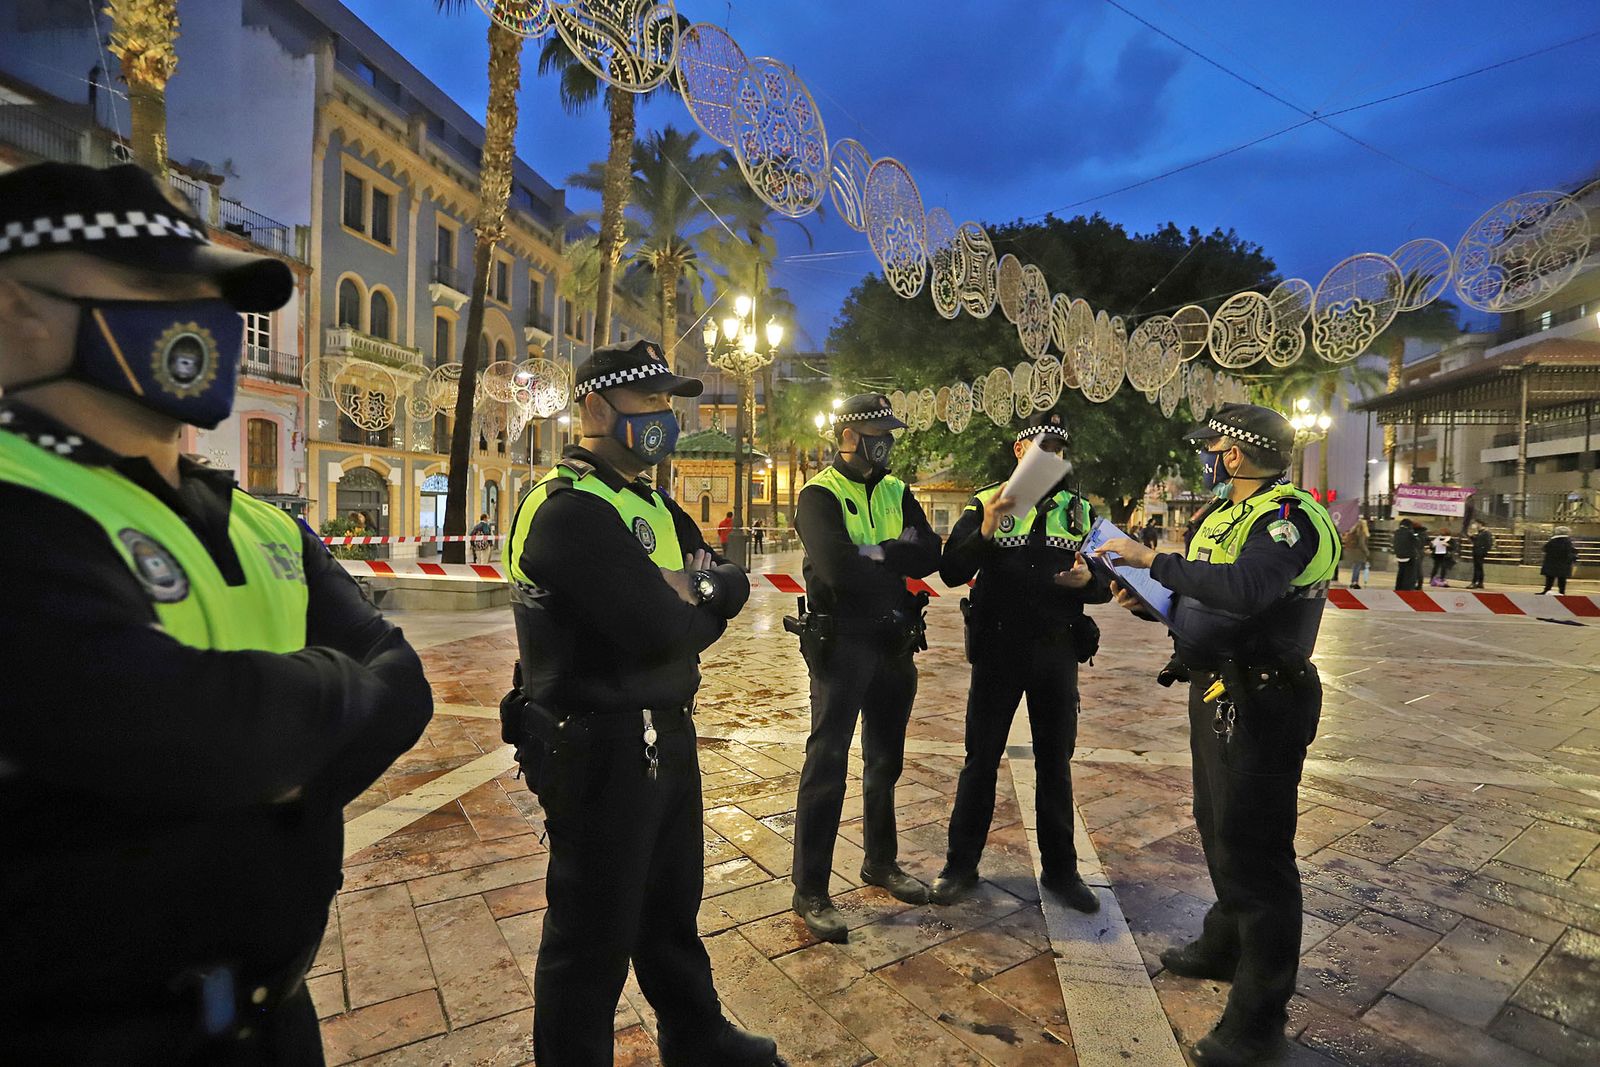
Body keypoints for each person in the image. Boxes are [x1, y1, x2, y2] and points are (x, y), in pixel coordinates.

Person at [0, 162, 434, 1063]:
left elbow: (408, 687)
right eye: (157, 287)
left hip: (277, 1015)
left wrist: (263, 749)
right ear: (15, 307)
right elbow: (178, 726)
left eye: (212, 295)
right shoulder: (19, 505)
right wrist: (294, 734)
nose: (201, 318)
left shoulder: (265, 524)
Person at [501, 339, 780, 1067]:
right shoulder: (565, 509)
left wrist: (696, 593)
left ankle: (698, 1037)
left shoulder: (652, 503)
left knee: (669, 911)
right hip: (596, 746)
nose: (663, 416)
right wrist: (691, 600)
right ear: (596, 408)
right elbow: (658, 628)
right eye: (648, 400)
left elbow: (729, 578)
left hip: (667, 733)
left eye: (667, 402)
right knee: (590, 935)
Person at [1094, 403, 1340, 1066]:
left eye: (1215, 447)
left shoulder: (1288, 518)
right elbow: (1211, 603)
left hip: (1266, 696)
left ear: (1233, 453)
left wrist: (1153, 557)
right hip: (1220, 687)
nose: (1209, 455)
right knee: (1218, 822)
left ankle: (1259, 1020)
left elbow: (1250, 587)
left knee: (1257, 850)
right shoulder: (1227, 514)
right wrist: (1155, 601)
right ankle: (1224, 942)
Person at [932, 410, 1108, 913]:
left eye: (1057, 450)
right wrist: (986, 529)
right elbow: (951, 570)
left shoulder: (1079, 511)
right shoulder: (987, 500)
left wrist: (1088, 584)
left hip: (1056, 650)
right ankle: (960, 866)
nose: (1051, 458)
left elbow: (1107, 579)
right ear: (1019, 450)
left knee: (1056, 763)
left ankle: (1061, 872)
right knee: (980, 760)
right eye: (1041, 448)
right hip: (998, 650)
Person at [789, 392, 941, 943]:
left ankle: (881, 861)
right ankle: (810, 889)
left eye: (890, 432)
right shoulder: (818, 495)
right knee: (827, 763)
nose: (888, 441)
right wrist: (889, 552)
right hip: (841, 643)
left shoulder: (899, 491)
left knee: (886, 762)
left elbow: (931, 555)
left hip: (895, 640)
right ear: (848, 436)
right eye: (879, 432)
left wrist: (874, 555)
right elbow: (834, 568)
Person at [1539, 525, 1577, 595]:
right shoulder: (1568, 541)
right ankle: (1562, 591)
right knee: (1562, 579)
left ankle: (1547, 590)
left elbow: (1545, 548)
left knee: (1550, 578)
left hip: (1551, 562)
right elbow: (1572, 551)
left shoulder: (1553, 541)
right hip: (1564, 563)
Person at [1392, 518, 1420, 591]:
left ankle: (1398, 588)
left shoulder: (1396, 532)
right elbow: (1417, 543)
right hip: (1409, 556)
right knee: (1409, 575)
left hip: (1399, 556)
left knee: (1400, 573)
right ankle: (1407, 589)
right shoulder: (1409, 533)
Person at [1342, 518, 1370, 588]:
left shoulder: (1353, 532)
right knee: (1357, 568)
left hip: (1353, 552)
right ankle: (1354, 582)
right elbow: (1362, 544)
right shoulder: (1362, 533)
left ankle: (1353, 581)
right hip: (1359, 553)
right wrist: (1367, 552)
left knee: (1355, 567)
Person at [1469, 523, 1493, 588]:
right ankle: (1480, 582)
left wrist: (1484, 551)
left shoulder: (1486, 533)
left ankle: (1475, 582)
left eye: (1476, 524)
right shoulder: (1479, 533)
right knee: (1479, 567)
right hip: (1476, 551)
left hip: (1480, 552)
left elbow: (1488, 543)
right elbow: (1476, 541)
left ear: (1480, 524)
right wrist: (1472, 536)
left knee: (1478, 568)